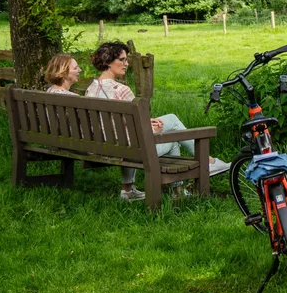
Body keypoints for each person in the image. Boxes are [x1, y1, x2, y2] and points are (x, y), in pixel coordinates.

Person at [85, 42, 231, 192]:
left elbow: (114, 121)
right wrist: (152, 127)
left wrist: (148, 122)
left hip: (105, 145)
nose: (126, 63)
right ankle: (200, 170)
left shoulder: (91, 89)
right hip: (129, 149)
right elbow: (137, 126)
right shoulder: (121, 90)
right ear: (108, 61)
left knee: (170, 125)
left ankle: (128, 189)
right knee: (172, 131)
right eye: (122, 60)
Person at [44, 52, 146, 202]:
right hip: (83, 146)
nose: (79, 70)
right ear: (64, 72)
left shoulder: (49, 93)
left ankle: (128, 188)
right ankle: (130, 188)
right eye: (75, 67)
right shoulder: (74, 100)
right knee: (128, 137)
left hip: (61, 142)